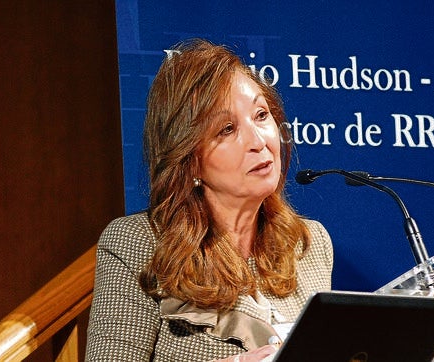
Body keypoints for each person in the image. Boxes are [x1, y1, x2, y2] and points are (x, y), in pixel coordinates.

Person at [86, 38, 333, 361]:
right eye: (227, 129)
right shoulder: (140, 243)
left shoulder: (309, 244)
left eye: (261, 115)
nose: (258, 141)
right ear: (190, 160)